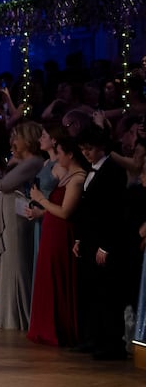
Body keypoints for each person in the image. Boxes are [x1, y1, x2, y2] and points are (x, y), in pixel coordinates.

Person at [0, 121, 44, 332]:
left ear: (28, 140)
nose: (12, 143)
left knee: (17, 268)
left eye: (17, 138)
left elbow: (4, 186)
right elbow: (6, 182)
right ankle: (9, 317)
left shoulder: (33, 162)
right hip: (11, 218)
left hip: (18, 222)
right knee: (8, 266)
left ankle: (20, 317)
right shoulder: (22, 163)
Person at [70, 125, 132, 360]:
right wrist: (79, 239)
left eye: (90, 148)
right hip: (89, 240)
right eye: (83, 148)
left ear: (101, 147)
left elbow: (116, 213)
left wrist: (106, 245)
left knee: (107, 294)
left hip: (105, 242)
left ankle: (111, 343)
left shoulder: (113, 170)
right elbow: (87, 210)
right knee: (91, 292)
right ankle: (93, 338)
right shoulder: (91, 168)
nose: (85, 152)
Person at [27, 134, 85, 347]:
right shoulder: (68, 175)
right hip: (51, 232)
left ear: (70, 154)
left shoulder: (78, 178)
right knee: (47, 279)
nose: (57, 158)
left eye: (60, 153)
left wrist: (40, 199)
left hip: (61, 234)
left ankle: (59, 329)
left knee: (57, 279)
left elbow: (65, 212)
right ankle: (45, 327)